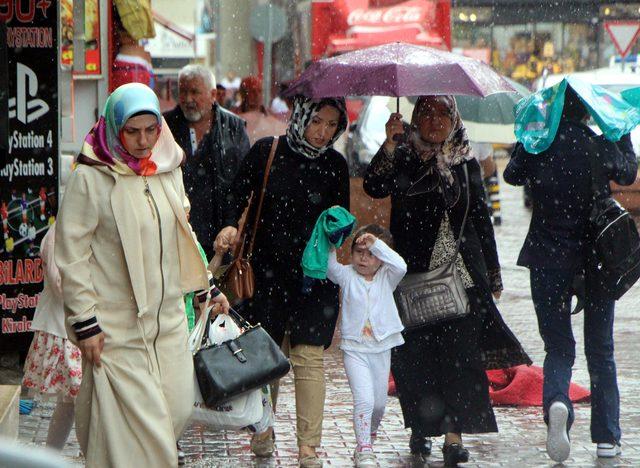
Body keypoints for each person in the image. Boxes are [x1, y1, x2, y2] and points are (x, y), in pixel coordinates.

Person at [55, 83, 230, 467]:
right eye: (131, 131)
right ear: (114, 126)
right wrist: (85, 322)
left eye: (151, 130)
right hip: (117, 330)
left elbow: (184, 234)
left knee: (176, 411)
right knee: (142, 437)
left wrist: (205, 288)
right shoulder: (91, 177)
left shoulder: (167, 168)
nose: (143, 140)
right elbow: (71, 254)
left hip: (167, 323)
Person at [363, 96, 531, 466]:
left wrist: (493, 272)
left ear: (454, 118)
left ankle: (454, 434)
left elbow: (481, 218)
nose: (434, 120)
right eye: (425, 113)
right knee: (416, 357)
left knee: (460, 357)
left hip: (463, 275)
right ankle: (421, 429)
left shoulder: (465, 159)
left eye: (442, 113)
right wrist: (390, 145)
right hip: (412, 276)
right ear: (414, 119)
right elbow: (374, 185)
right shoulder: (403, 156)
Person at [503, 87, 637, 463]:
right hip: (595, 259)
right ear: (587, 111)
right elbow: (628, 172)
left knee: (558, 346)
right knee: (601, 347)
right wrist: (621, 130)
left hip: (548, 258)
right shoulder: (597, 144)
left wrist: (528, 134)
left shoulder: (538, 147)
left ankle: (558, 401)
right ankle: (607, 437)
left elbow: (512, 175)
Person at [215, 96, 350, 467]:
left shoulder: (336, 165)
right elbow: (235, 195)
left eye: (332, 125)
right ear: (302, 116)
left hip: (314, 281)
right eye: (317, 121)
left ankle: (308, 446)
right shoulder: (267, 152)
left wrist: (338, 226)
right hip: (267, 276)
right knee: (267, 359)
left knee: (308, 360)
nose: (323, 132)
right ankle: (263, 430)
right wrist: (228, 224)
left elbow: (342, 220)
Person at [326, 225, 407, 467]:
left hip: (381, 347)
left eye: (370, 253)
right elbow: (330, 267)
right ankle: (364, 447)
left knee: (380, 404)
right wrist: (332, 239)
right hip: (355, 349)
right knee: (364, 399)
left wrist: (377, 244)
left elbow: (401, 265)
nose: (363, 257)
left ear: (381, 258)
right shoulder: (346, 275)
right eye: (359, 251)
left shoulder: (387, 276)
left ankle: (369, 435)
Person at [164, 64, 250, 259]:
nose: (187, 99)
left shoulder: (234, 127)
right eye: (183, 92)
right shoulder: (165, 127)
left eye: (194, 92)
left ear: (212, 95)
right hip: (176, 236)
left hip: (220, 238)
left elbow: (244, 182)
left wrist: (231, 224)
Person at [22, 224, 82, 451]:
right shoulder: (59, 232)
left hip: (72, 326)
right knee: (78, 401)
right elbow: (60, 284)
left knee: (72, 402)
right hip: (64, 328)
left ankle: (52, 456)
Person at [236, 76, 287, 145]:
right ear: (243, 94)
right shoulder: (233, 117)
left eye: (259, 91)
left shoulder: (272, 117)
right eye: (253, 91)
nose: (257, 94)